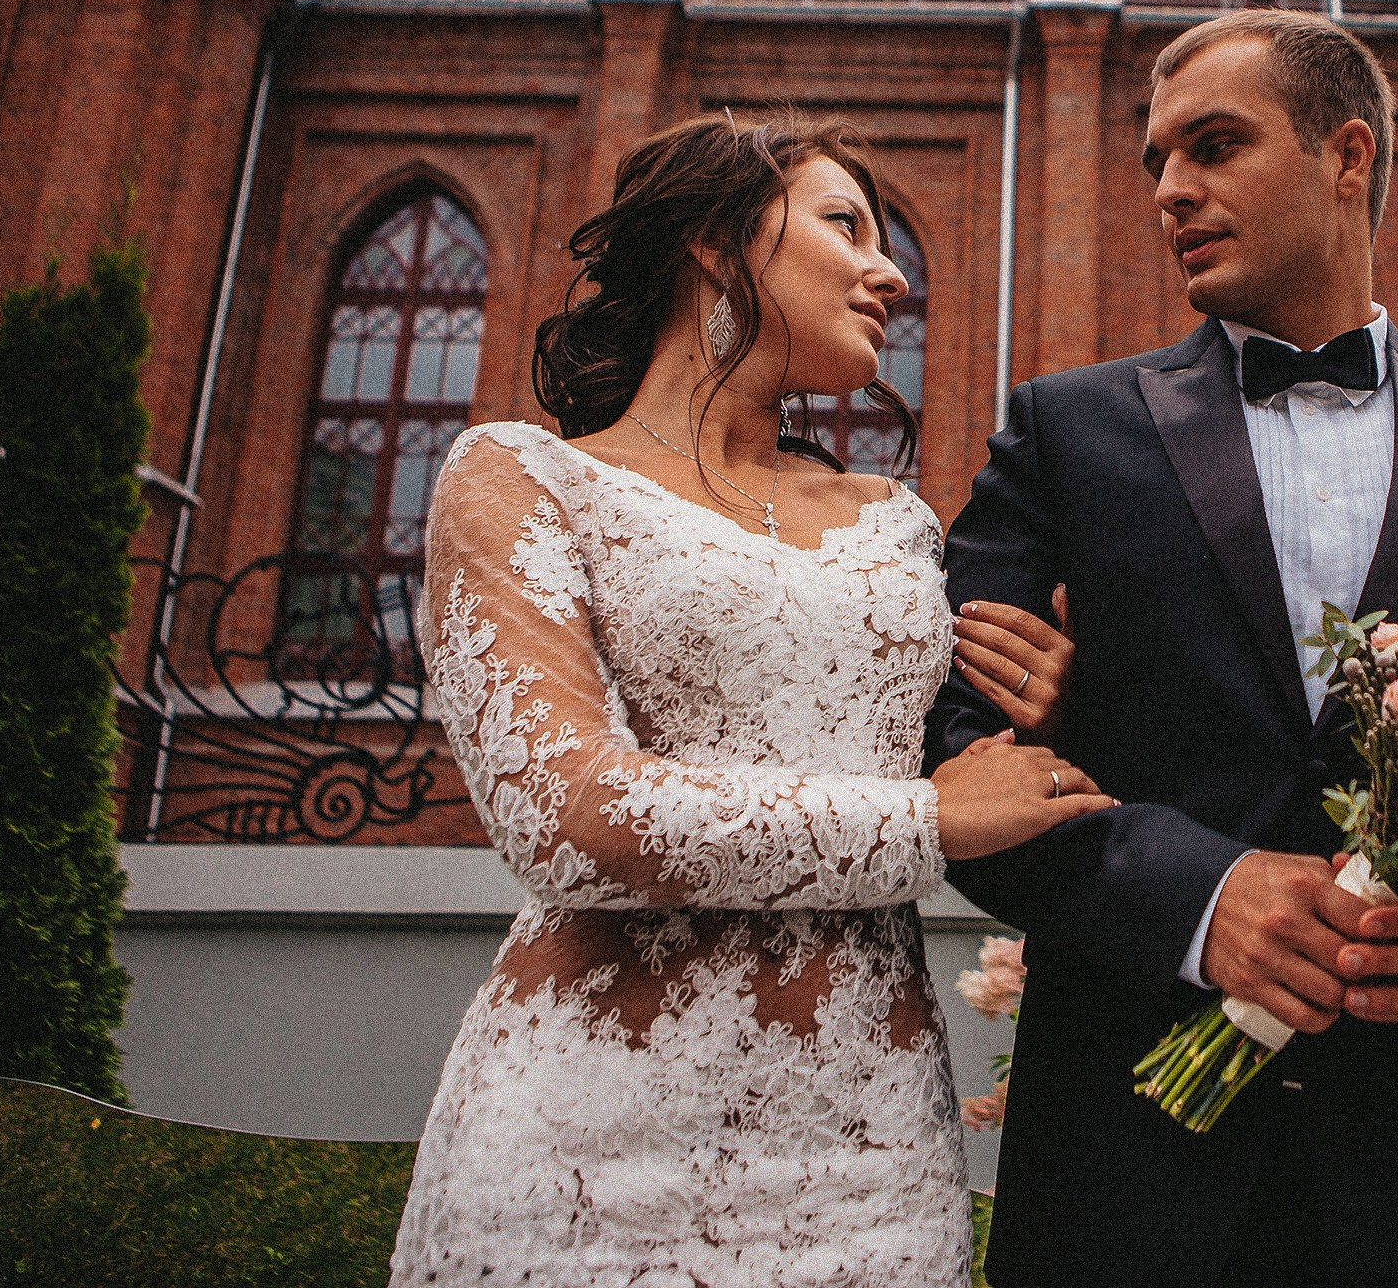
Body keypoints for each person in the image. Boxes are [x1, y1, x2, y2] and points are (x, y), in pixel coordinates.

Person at [926, 9, 1398, 1288]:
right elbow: (953, 755)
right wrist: (1197, 900)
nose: (1169, 191)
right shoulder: (1063, 435)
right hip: (1130, 1173)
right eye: (1156, 160)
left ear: (1346, 155)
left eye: (1213, 146)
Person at [389, 112, 1105, 1287]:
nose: (891, 273)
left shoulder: (898, 526)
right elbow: (570, 818)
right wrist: (924, 823)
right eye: (845, 226)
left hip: (874, 1165)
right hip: (588, 1148)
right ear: (718, 245)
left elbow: (974, 766)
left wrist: (1056, 708)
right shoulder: (522, 479)